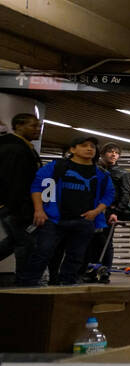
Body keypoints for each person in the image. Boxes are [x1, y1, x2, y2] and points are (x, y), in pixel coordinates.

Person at [20, 134, 114, 286]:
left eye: (92, 146)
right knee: (43, 252)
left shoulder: (101, 174)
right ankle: (28, 283)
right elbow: (37, 186)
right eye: (84, 145)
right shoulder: (55, 167)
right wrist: (39, 210)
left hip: (84, 221)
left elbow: (109, 195)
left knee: (76, 256)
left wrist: (96, 212)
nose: (89, 149)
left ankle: (67, 283)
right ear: (73, 149)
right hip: (54, 219)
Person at [81, 142, 130, 283]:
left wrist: (116, 212)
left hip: (109, 211)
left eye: (116, 153)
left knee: (105, 242)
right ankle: (90, 272)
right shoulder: (95, 170)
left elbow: (125, 195)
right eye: (110, 151)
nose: (113, 154)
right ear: (103, 154)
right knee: (90, 242)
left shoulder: (122, 174)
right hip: (93, 210)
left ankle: (105, 273)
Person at [0, 113, 42, 274]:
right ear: (18, 126)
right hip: (15, 206)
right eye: (33, 125)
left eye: (39, 126)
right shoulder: (14, 149)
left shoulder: (23, 147)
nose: (37, 129)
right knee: (26, 243)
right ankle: (24, 282)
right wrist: (14, 206)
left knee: (14, 241)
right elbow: (13, 179)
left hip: (15, 205)